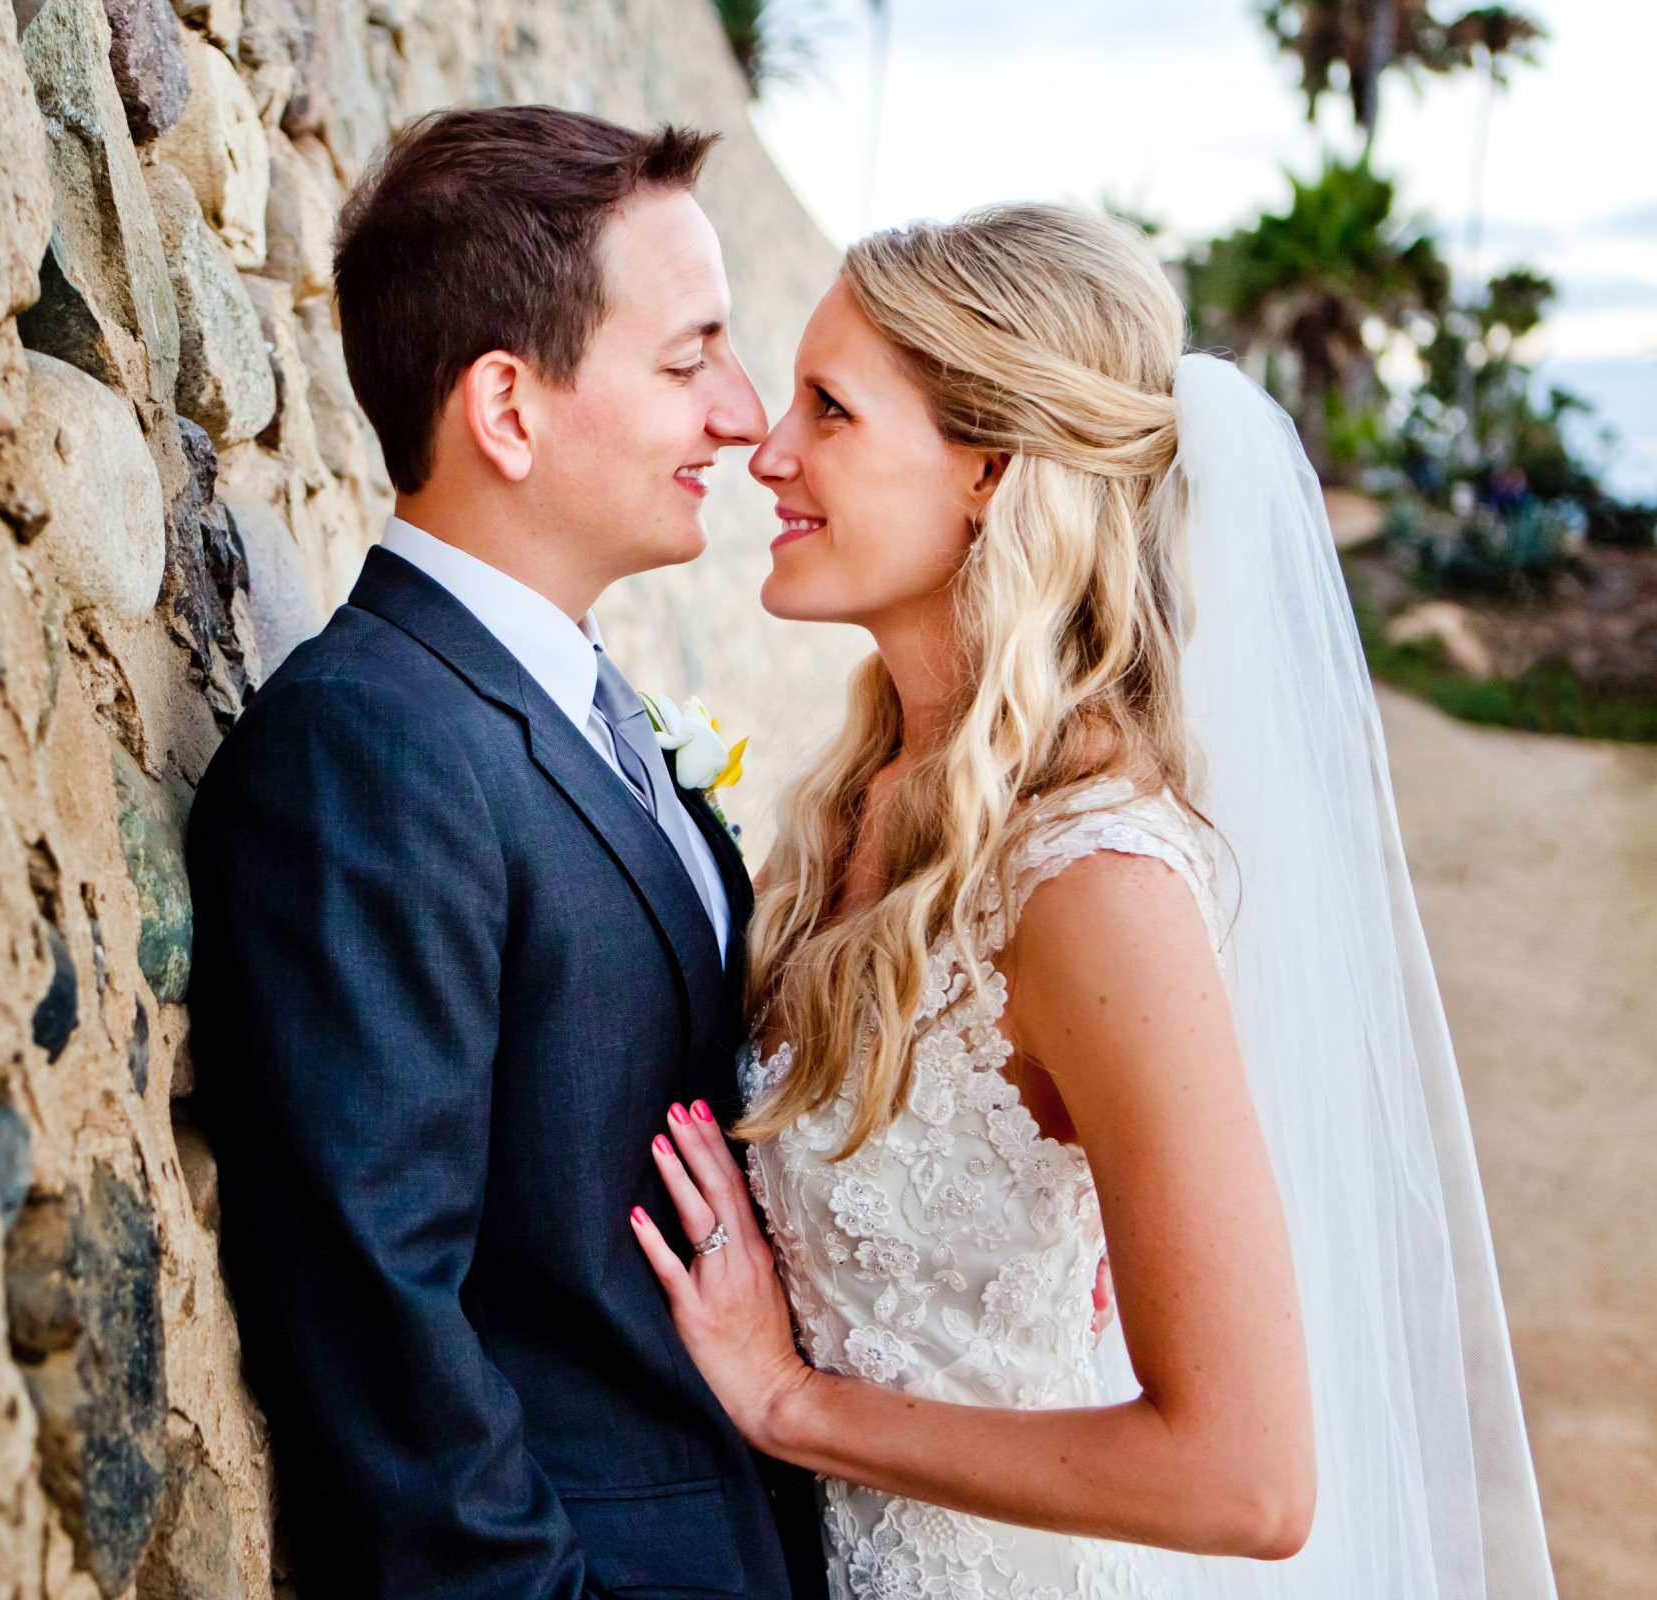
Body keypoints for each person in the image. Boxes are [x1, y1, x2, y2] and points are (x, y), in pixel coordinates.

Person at [628, 203, 1558, 1600]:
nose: (769, 448)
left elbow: (1247, 1479)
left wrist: (792, 1405)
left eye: (831, 410)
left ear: (992, 466)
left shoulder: (1092, 885)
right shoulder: (863, 801)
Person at [185, 106, 826, 1597]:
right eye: (689, 362)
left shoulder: (571, 693)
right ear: (509, 411)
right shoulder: (368, 749)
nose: (741, 414)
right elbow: (374, 1309)